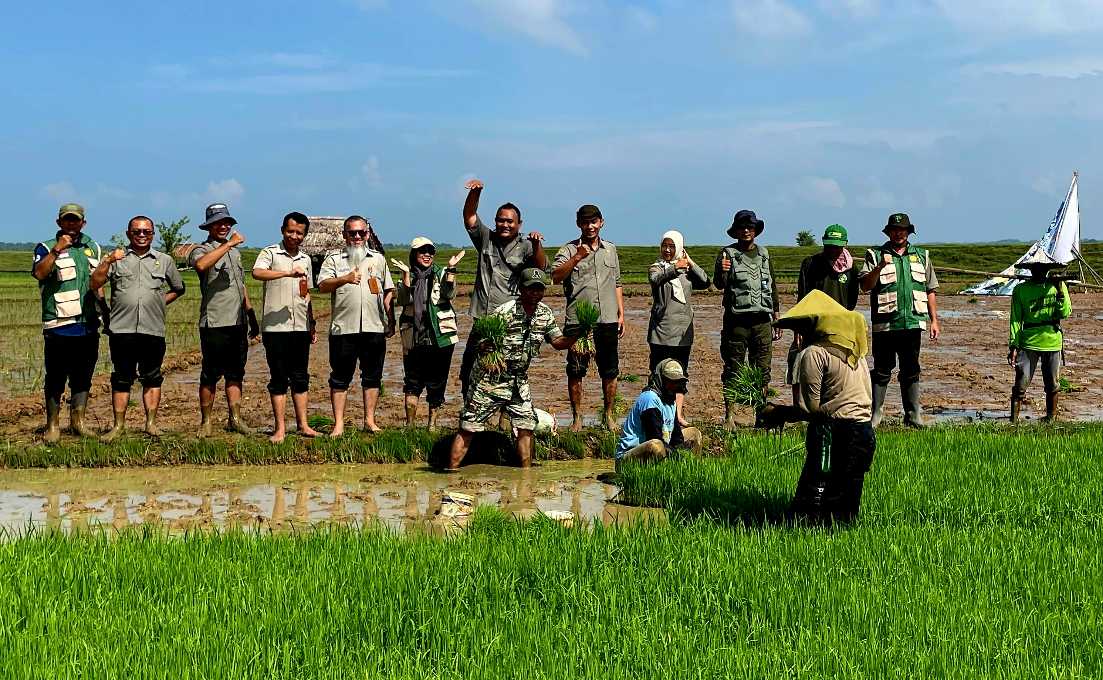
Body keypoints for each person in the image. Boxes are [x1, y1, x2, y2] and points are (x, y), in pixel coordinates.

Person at [758, 290, 876, 525]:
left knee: (820, 501)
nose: (799, 335)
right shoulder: (856, 354)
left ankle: (805, 530)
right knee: (846, 506)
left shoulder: (814, 353)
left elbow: (808, 409)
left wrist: (776, 413)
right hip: (864, 432)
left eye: (802, 328)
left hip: (838, 433)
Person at [448, 268, 577, 469]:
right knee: (469, 427)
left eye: (539, 289)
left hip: (518, 381)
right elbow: (481, 341)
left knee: (526, 426)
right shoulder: (504, 311)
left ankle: (526, 477)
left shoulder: (544, 313)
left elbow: (557, 341)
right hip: (489, 379)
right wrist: (485, 346)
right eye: (530, 289)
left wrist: (577, 335)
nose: (535, 293)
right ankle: (451, 471)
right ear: (520, 289)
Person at [90, 216, 186, 441]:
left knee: (152, 377)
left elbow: (178, 287)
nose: (142, 236)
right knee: (122, 378)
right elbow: (95, 284)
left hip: (152, 329)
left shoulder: (164, 260)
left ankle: (151, 424)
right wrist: (107, 262)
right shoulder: (116, 259)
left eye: (146, 232)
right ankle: (118, 426)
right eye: (137, 232)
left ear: (153, 234)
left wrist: (159, 302)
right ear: (128, 234)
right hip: (122, 330)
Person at [460, 178, 546, 398]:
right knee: (470, 368)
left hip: (509, 320)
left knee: (507, 371)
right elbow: (469, 217)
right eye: (500, 221)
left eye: (510, 221)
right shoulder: (485, 238)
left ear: (519, 224)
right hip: (483, 318)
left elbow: (541, 266)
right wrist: (476, 193)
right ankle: (470, 414)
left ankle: (504, 422)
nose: (504, 225)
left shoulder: (526, 245)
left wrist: (537, 245)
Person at [859, 212, 940, 428]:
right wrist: (878, 269)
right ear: (889, 232)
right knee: (882, 369)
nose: (898, 234)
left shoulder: (922, 256)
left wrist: (934, 320)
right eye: (895, 230)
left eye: (902, 230)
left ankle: (913, 415)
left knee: (911, 369)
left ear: (908, 232)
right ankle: (875, 414)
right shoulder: (875, 255)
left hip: (912, 324)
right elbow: (865, 286)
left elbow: (930, 289)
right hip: (885, 324)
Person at [31, 203, 104, 443]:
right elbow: (40, 274)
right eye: (67, 220)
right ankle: (52, 425)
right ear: (59, 223)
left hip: (88, 324)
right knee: (55, 376)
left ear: (83, 222)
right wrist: (56, 250)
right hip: (59, 325)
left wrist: (106, 312)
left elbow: (98, 283)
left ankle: (78, 422)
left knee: (83, 375)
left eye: (76, 220)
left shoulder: (93, 247)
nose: (72, 224)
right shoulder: (44, 248)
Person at [317, 216, 396, 435]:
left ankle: (369, 421)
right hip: (344, 328)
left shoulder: (378, 259)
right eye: (352, 233)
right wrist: (344, 278)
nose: (358, 237)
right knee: (340, 377)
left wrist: (391, 320)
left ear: (368, 234)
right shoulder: (334, 259)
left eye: (362, 233)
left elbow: (388, 291)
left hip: (374, 327)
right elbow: (322, 286)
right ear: (345, 235)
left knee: (372, 376)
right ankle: (339, 424)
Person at [188, 203, 260, 437]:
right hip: (215, 322)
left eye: (227, 223)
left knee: (235, 373)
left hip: (238, 322)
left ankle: (235, 418)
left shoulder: (236, 253)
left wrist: (251, 314)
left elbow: (241, 285)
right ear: (209, 226)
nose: (224, 226)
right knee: (210, 374)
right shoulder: (201, 249)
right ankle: (206, 421)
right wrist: (228, 244)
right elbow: (201, 265)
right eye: (219, 223)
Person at [552, 204, 625, 431]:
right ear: (578, 224)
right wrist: (577, 258)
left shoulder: (610, 249)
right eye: (585, 222)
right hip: (578, 322)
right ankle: (577, 418)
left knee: (610, 369)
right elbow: (555, 276)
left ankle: (609, 416)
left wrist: (621, 313)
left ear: (601, 222)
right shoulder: (568, 250)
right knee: (576, 370)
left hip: (607, 319)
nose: (590, 226)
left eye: (593, 221)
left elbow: (617, 282)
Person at [253, 212, 319, 443]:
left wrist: (311, 323)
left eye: (299, 233)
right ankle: (279, 428)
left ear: (305, 235)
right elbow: (257, 272)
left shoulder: (306, 260)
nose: (294, 236)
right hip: (275, 328)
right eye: (290, 231)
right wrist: (287, 273)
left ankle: (303, 425)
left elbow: (306, 292)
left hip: (300, 326)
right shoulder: (270, 253)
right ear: (282, 230)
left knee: (300, 376)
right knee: (279, 377)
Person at [714, 209, 781, 428]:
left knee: (762, 369)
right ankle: (729, 416)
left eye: (750, 227)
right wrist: (722, 271)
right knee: (733, 367)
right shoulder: (727, 254)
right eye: (742, 227)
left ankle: (760, 415)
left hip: (762, 321)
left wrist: (776, 315)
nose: (746, 231)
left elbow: (772, 286)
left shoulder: (764, 254)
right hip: (736, 322)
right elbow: (720, 284)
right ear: (736, 231)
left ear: (755, 231)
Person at [392, 238, 465, 429]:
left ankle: (432, 425)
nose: (427, 255)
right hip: (414, 336)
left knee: (437, 381)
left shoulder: (441, 273)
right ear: (414, 254)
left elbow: (449, 294)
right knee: (412, 380)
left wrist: (451, 270)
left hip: (439, 337)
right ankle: (410, 425)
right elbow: (402, 300)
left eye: (430, 251)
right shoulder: (408, 275)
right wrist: (406, 277)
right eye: (422, 251)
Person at [787, 224, 861, 391]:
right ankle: (801, 408)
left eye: (837, 246)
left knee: (836, 370)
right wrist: (798, 327)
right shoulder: (810, 264)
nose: (833, 249)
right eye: (829, 245)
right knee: (800, 365)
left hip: (839, 328)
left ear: (844, 244)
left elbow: (851, 300)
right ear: (824, 243)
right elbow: (803, 297)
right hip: (812, 326)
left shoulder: (851, 269)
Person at [647, 229, 710, 426]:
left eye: (672, 246)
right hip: (661, 331)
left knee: (681, 373)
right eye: (665, 245)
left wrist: (689, 263)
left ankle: (677, 414)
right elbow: (655, 280)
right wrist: (675, 268)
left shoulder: (688, 272)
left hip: (683, 332)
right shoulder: (657, 267)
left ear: (680, 248)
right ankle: (657, 414)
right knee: (658, 373)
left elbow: (706, 282)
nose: (667, 249)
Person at [1008, 256, 1072, 422]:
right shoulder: (1021, 290)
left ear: (1048, 270)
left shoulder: (1058, 286)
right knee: (1021, 382)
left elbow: (1064, 313)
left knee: (1052, 384)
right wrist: (1013, 345)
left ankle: (1051, 418)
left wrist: (1059, 291)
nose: (1039, 272)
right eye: (1036, 269)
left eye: (1043, 269)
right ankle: (1014, 420)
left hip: (1052, 340)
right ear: (1030, 270)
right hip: (1028, 341)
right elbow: (1015, 319)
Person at [613, 359, 704, 470]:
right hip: (628, 458)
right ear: (661, 379)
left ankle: (692, 470)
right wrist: (676, 456)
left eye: (677, 382)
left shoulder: (671, 400)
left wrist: (682, 453)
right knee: (656, 446)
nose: (674, 385)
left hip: (661, 444)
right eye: (670, 381)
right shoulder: (650, 399)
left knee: (694, 433)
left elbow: (677, 437)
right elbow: (654, 437)